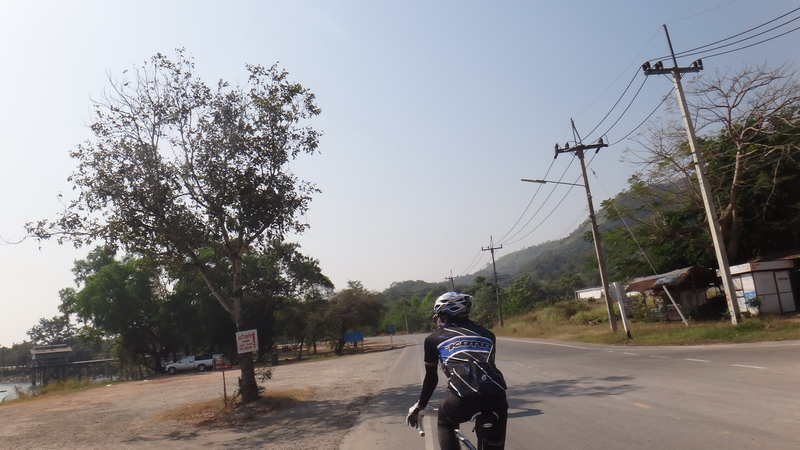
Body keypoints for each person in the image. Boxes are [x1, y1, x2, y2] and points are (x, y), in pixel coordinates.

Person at [406, 292, 508, 450]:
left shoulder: (433, 339)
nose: (437, 319)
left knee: (445, 422)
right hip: (496, 396)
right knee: (495, 442)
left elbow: (431, 379)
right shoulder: (489, 335)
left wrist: (420, 405)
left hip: (462, 398)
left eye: (438, 315)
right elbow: (486, 369)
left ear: (444, 314)